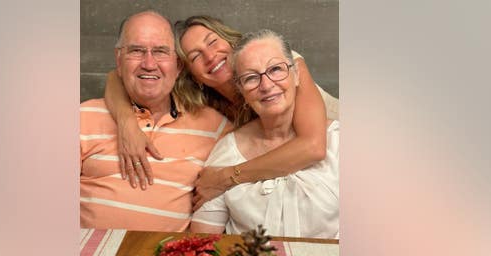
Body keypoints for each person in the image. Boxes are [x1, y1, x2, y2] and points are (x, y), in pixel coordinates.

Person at [104, 15, 338, 211]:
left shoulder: (277, 65)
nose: (210, 56)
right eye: (195, 56)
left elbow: (313, 147)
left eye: (213, 41)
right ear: (188, 72)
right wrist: (126, 123)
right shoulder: (207, 104)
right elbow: (115, 76)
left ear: (230, 41)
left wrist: (223, 178)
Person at [80, 11, 231, 231]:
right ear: (118, 60)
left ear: (178, 66)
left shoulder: (216, 127)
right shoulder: (82, 117)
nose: (149, 64)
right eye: (136, 51)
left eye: (160, 52)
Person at [190, 29, 339, 238]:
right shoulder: (225, 150)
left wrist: (227, 176)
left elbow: (314, 147)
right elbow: (201, 244)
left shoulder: (339, 142)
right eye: (251, 78)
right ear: (240, 88)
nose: (267, 85)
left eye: (276, 69)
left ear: (297, 75)